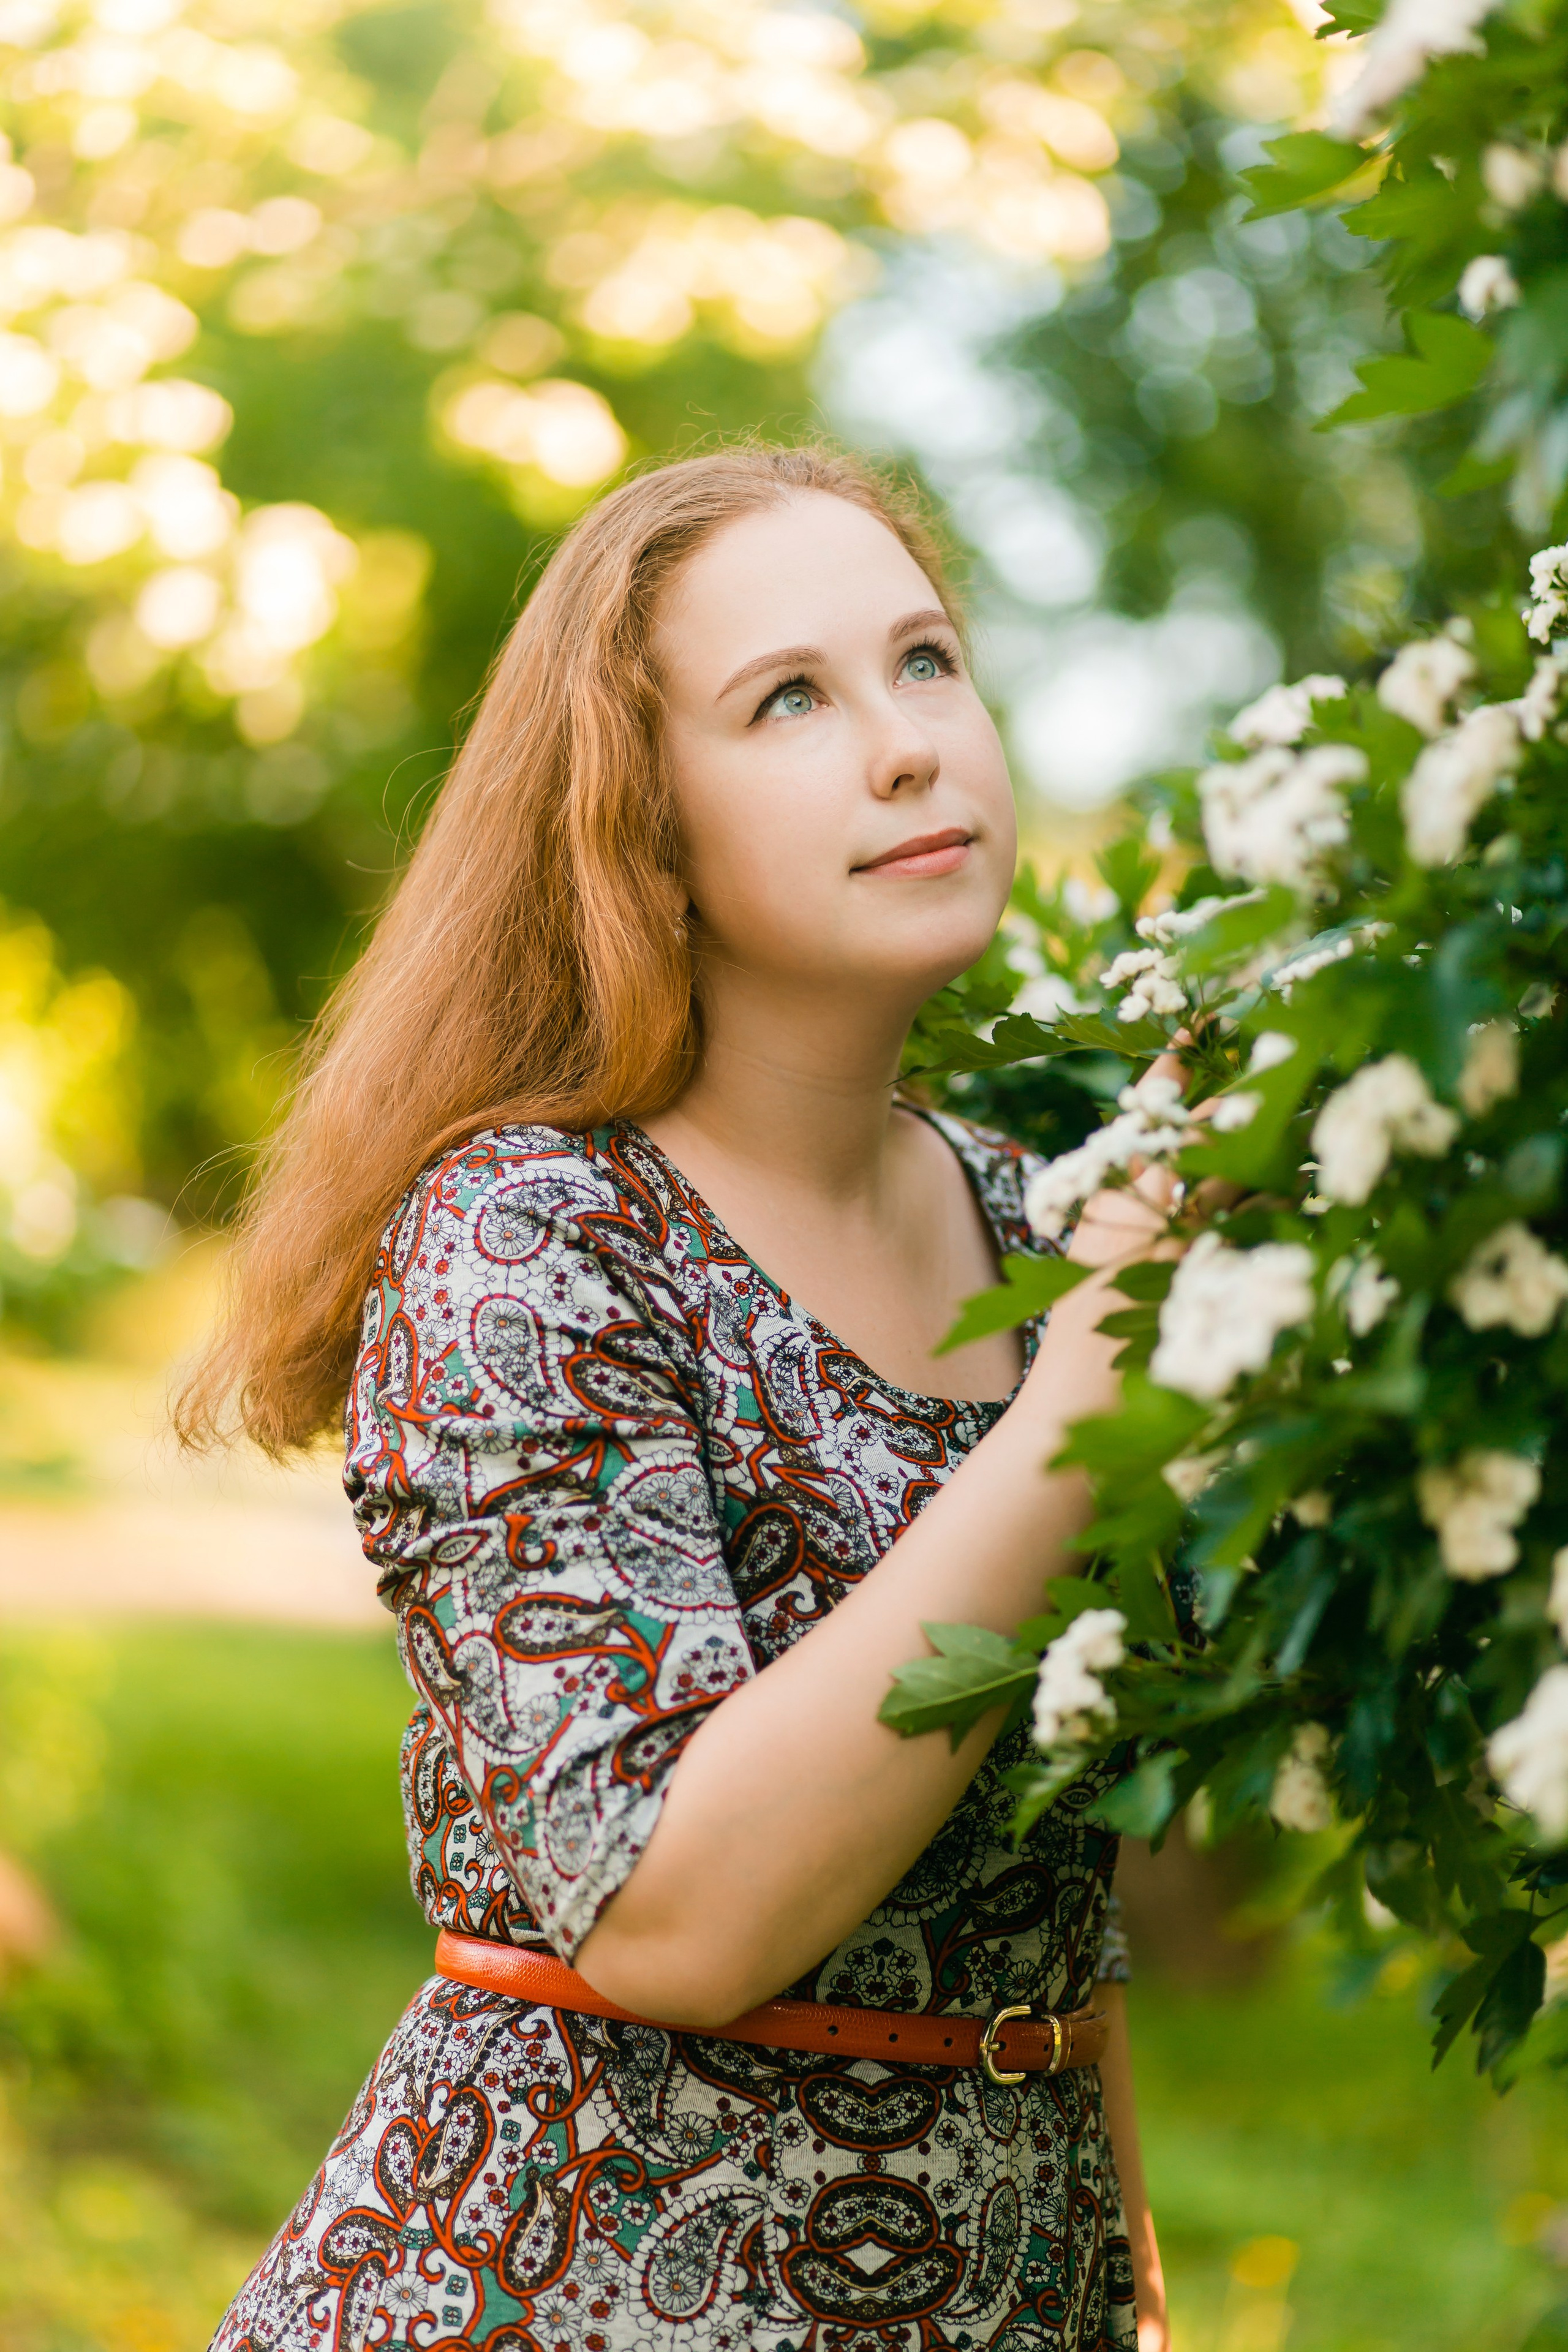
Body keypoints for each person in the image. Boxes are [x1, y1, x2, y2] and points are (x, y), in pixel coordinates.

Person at [187, 443, 1171, 2352]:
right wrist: (1093, 1394)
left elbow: (1049, 1881)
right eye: (788, 698)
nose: (903, 745)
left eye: (926, 661)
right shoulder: (528, 1235)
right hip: (570, 2292)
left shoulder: (1043, 1215)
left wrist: (1123, 2270)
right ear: (643, 822)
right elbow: (675, 1916)